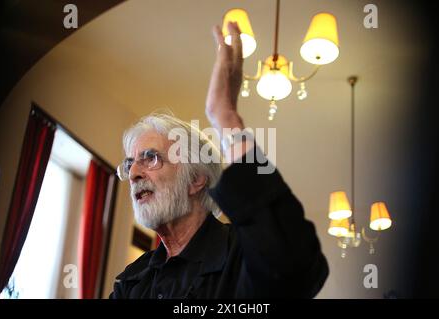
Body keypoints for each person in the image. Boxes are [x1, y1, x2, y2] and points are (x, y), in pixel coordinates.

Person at [109, 22, 328, 299]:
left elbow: (296, 270)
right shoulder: (131, 283)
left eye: (150, 158)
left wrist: (224, 117)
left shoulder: (244, 254)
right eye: (130, 164)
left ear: (196, 180)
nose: (134, 173)